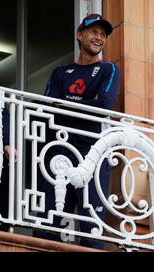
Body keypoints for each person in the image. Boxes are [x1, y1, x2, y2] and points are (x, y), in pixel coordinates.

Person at [31, 14, 120, 249]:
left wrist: (66, 105)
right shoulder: (61, 72)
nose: (99, 38)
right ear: (80, 35)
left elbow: (104, 107)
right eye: (93, 32)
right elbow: (49, 109)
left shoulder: (107, 69)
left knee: (92, 230)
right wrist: (85, 103)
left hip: (93, 153)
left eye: (103, 34)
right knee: (47, 226)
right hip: (59, 151)